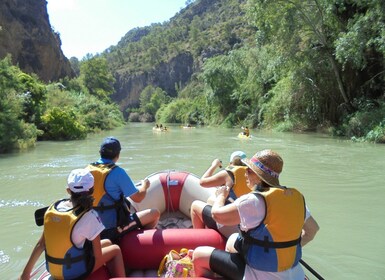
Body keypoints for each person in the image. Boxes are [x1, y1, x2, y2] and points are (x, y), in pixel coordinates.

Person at [192, 149, 320, 280]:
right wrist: (284, 252)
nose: (245, 173)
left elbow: (217, 215)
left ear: (258, 176)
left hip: (260, 276)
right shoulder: (297, 198)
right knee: (232, 240)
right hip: (295, 274)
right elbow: (312, 230)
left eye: (248, 170)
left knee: (199, 255)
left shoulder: (254, 200)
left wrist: (221, 196)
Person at [19, 169, 125, 280]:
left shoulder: (52, 209)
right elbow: (97, 256)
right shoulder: (89, 215)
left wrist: (25, 274)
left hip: (53, 271)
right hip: (74, 274)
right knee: (115, 249)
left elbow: (40, 245)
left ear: (68, 191)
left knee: (107, 242)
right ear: (92, 190)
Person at [87, 137, 160, 244]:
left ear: (100, 152)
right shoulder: (118, 172)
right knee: (155, 213)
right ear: (118, 155)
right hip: (111, 230)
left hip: (90, 230)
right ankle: (137, 243)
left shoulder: (86, 170)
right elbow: (138, 198)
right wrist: (145, 186)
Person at [190, 151, 250, 238]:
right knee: (211, 200)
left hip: (229, 224)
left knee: (195, 206)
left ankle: (198, 239)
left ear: (230, 163)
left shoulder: (228, 173)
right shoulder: (251, 175)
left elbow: (202, 182)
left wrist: (214, 165)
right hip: (245, 223)